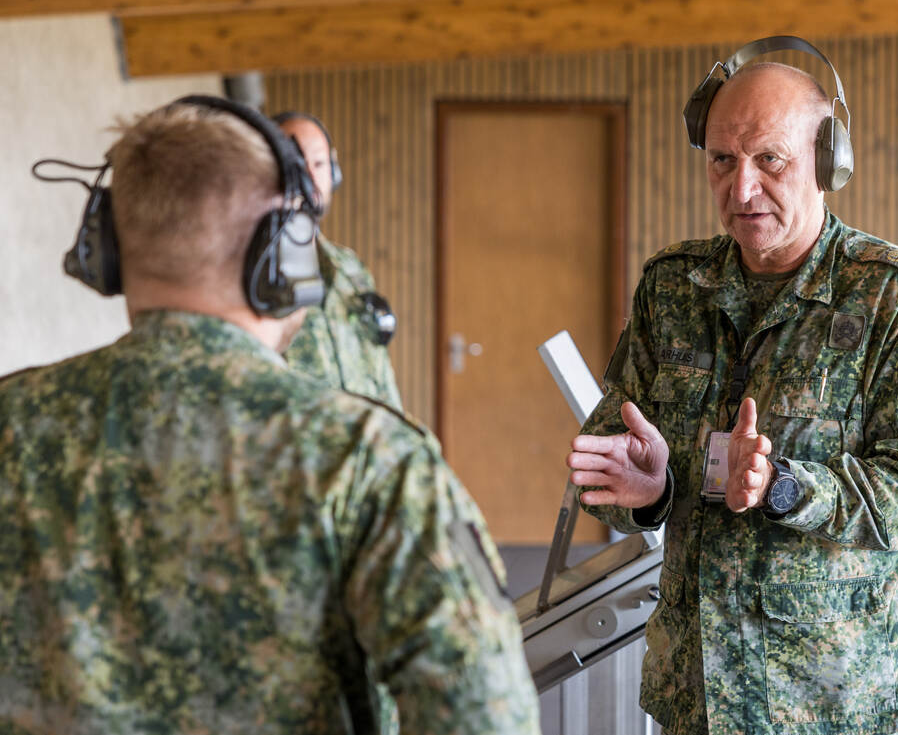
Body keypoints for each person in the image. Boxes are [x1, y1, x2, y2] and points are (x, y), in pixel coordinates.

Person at [0, 98, 540, 734]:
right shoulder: (367, 456)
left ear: (109, 251)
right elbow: (483, 717)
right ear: (283, 252)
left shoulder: (13, 424)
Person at [566, 40, 898, 735]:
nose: (741, 188)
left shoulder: (894, 295)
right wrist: (649, 488)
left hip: (845, 704)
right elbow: (615, 447)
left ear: (826, 159)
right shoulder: (672, 285)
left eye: (770, 159)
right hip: (702, 701)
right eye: (722, 159)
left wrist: (787, 486)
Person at [275, 111, 404, 408]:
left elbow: (379, 368)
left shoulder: (349, 267)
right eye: (295, 164)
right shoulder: (252, 271)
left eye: (318, 164)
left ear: (334, 172)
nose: (309, 177)